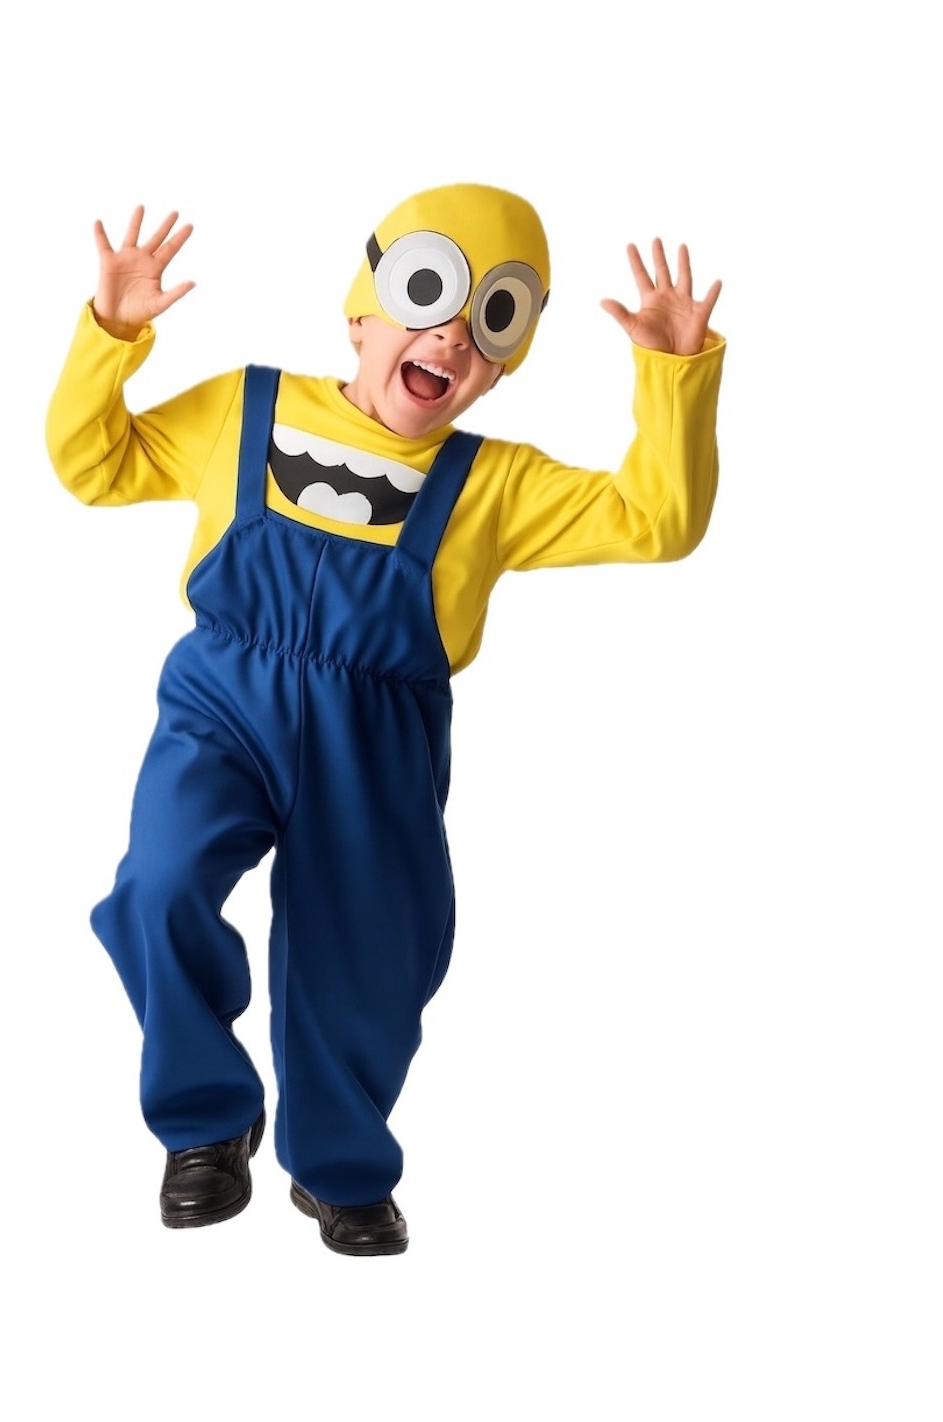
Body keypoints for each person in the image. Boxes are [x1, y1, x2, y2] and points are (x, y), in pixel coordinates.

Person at [45, 184, 725, 1257]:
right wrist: (111, 337)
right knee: (159, 885)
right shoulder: (244, 408)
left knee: (364, 957)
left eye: (489, 323)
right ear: (361, 312)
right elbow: (94, 463)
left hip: (377, 740)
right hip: (224, 703)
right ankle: (206, 1122)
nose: (450, 338)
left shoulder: (493, 482)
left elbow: (657, 521)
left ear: (501, 364)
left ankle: (339, 1168)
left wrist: (674, 377)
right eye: (425, 296)